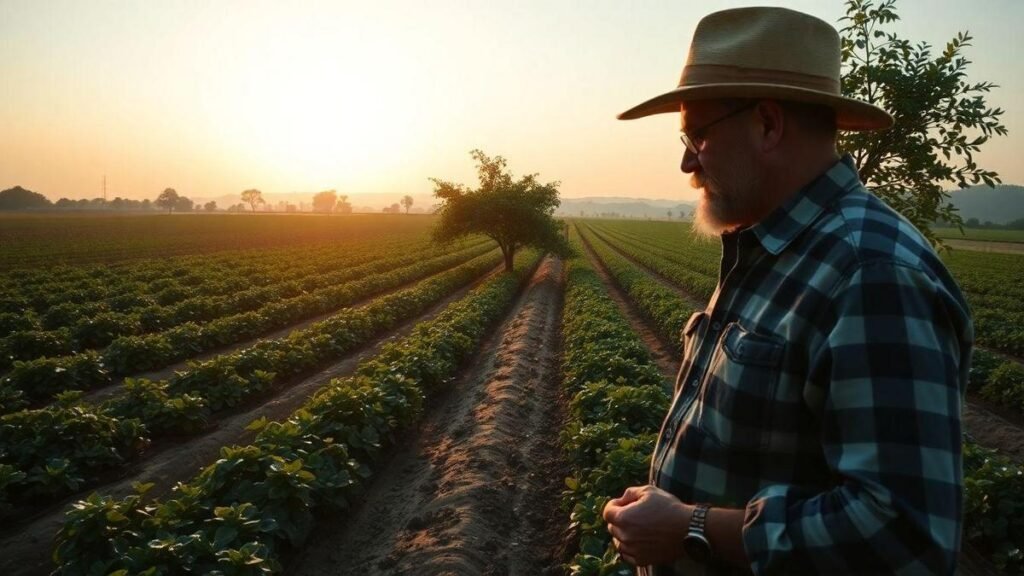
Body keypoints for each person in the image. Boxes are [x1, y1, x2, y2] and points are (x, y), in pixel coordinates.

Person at [602, 6, 973, 576]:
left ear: (768, 125)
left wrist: (691, 527)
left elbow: (904, 534)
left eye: (697, 135)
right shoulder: (774, 249)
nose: (685, 161)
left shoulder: (869, 273)